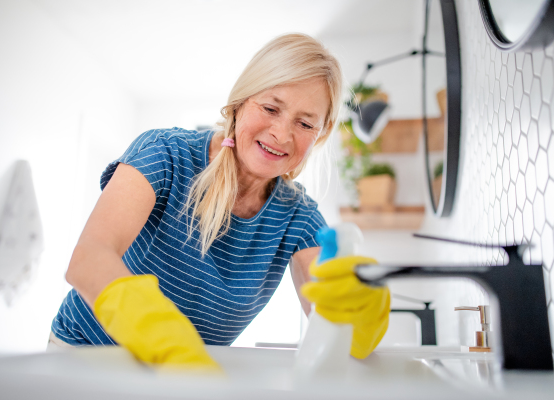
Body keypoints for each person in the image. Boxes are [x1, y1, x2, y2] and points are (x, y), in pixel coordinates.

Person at [50, 33, 390, 369]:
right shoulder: (166, 154)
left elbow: (327, 308)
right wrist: (160, 333)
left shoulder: (297, 216)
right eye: (271, 108)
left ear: (320, 135)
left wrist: (355, 313)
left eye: (304, 123)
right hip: (82, 358)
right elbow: (88, 259)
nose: (282, 134)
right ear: (240, 103)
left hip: (182, 376)